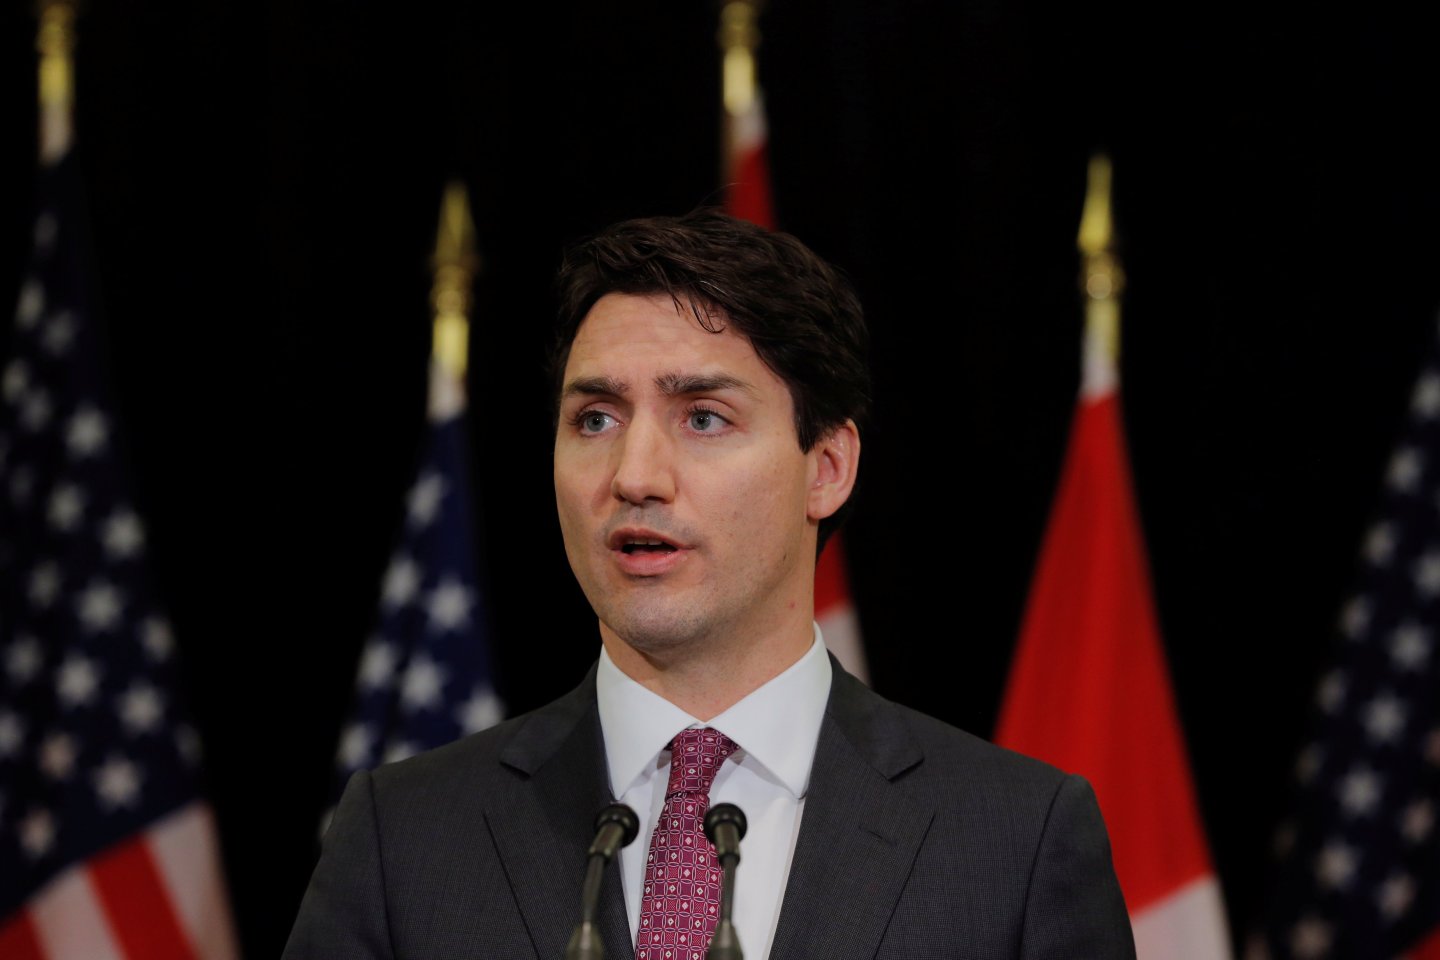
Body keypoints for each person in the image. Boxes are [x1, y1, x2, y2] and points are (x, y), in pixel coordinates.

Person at [283, 210, 1135, 960]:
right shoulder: (405, 838)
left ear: (827, 468)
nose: (634, 474)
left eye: (702, 417)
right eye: (595, 419)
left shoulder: (1016, 842)